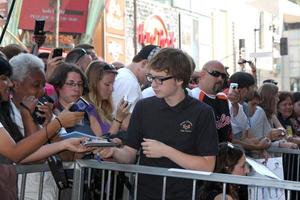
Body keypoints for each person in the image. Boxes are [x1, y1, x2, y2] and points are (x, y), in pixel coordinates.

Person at [98, 48, 218, 200]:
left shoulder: (202, 112)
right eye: (151, 77)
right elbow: (129, 153)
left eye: (160, 79)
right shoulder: (144, 107)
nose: (153, 84)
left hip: (185, 193)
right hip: (145, 192)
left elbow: (207, 165)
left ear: (180, 79)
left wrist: (165, 151)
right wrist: (114, 152)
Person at [191, 60, 243, 143]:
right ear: (202, 74)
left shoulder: (223, 98)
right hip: (204, 153)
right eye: (215, 74)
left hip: (226, 152)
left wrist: (235, 104)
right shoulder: (192, 96)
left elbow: (242, 126)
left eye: (223, 76)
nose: (220, 78)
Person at [112, 45, 160, 130]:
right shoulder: (130, 83)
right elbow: (126, 124)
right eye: (153, 71)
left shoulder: (122, 74)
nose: (152, 78)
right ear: (144, 63)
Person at [84, 61, 129, 136]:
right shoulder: (89, 108)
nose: (112, 89)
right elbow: (99, 142)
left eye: (113, 84)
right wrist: (118, 119)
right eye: (107, 84)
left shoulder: (103, 107)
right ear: (94, 84)